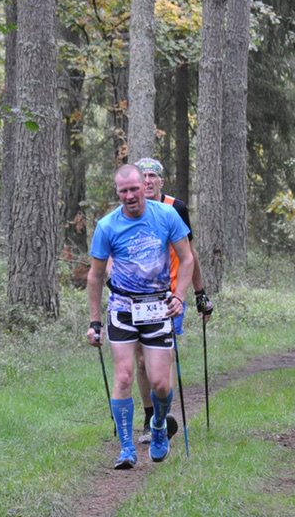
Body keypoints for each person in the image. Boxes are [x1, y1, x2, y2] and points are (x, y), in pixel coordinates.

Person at [86, 164, 194, 469]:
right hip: (122, 307)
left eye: (134, 189)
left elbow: (187, 259)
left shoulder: (166, 215)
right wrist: (94, 322)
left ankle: (158, 425)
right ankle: (126, 448)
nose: (130, 196)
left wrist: (179, 296)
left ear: (143, 188)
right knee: (123, 376)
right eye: (124, 191)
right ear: (117, 192)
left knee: (160, 383)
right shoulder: (107, 226)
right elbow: (95, 276)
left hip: (158, 305)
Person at [131, 157, 212, 444]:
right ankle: (149, 417)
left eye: (153, 176)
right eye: (143, 176)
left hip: (171, 296)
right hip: (139, 297)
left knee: (163, 358)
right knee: (142, 361)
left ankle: (163, 414)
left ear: (161, 181)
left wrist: (200, 294)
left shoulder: (176, 208)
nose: (148, 181)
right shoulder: (130, 211)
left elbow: (190, 253)